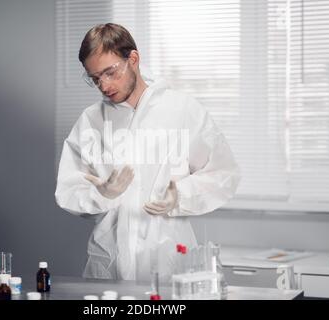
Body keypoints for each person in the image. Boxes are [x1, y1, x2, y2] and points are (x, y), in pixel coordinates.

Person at [55, 23, 240, 281]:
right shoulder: (92, 121)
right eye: (95, 78)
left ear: (133, 58)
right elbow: (68, 190)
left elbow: (223, 173)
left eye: (110, 72)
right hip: (109, 260)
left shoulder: (181, 110)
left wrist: (180, 197)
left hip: (168, 255)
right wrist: (101, 194)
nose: (104, 85)